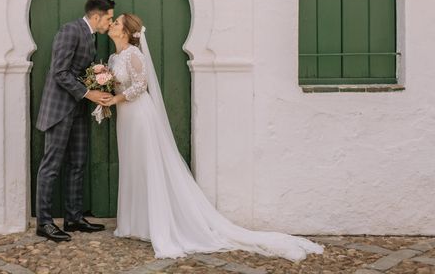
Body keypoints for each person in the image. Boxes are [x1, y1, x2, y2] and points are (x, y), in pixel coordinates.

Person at [104, 13, 324, 261]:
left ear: (125, 31)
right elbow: (119, 84)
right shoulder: (114, 57)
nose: (111, 24)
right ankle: (134, 224)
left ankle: (157, 224)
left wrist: (115, 98)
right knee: (133, 167)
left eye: (116, 22)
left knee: (148, 167)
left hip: (140, 116)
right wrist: (105, 92)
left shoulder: (134, 55)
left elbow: (140, 86)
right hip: (125, 118)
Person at [34, 0, 115, 242]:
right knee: (51, 166)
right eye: (109, 18)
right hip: (59, 109)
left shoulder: (90, 36)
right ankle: (44, 223)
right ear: (96, 16)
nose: (110, 23)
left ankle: (73, 218)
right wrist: (90, 92)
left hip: (78, 109)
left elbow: (78, 70)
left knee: (78, 163)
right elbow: (59, 72)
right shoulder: (71, 31)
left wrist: (96, 73)